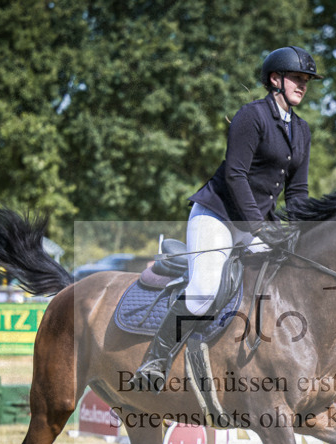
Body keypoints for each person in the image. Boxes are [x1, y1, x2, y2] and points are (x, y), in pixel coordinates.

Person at [135, 46, 322, 388]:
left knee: (280, 285)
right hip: (217, 216)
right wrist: (260, 228)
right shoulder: (251, 116)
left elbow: (298, 191)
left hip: (256, 223)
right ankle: (155, 361)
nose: (303, 84)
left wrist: (300, 231)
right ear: (275, 79)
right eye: (297, 77)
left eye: (307, 80)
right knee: (205, 291)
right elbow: (235, 175)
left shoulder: (302, 130)